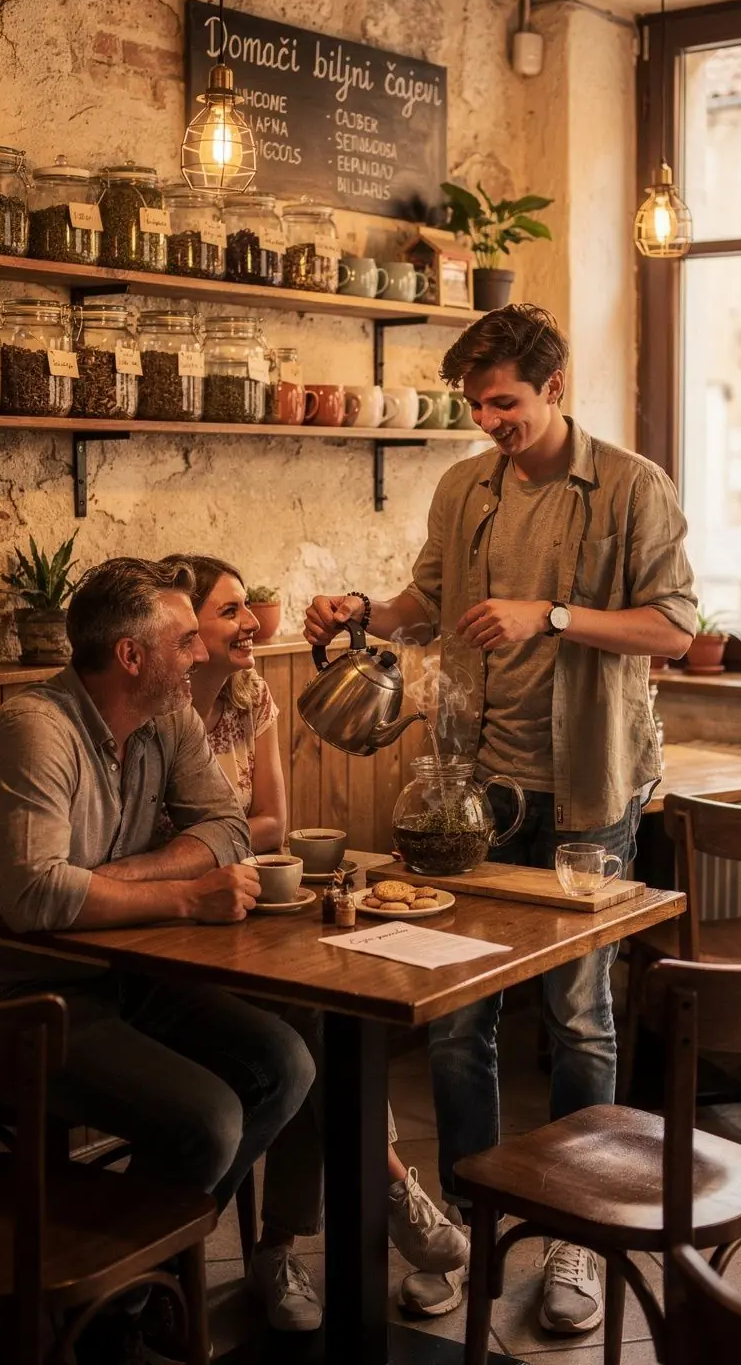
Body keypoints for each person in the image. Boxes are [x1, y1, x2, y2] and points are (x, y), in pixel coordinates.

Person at [304, 304, 696, 1334]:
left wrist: (551, 616)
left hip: (588, 790)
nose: (491, 422)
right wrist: (359, 612)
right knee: (455, 1018)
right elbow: (421, 602)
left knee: (578, 1018)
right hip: (473, 791)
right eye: (478, 404)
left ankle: (574, 1237)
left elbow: (677, 627)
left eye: (507, 403)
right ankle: (474, 1225)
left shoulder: (631, 486)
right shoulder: (463, 487)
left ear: (556, 389)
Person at [0, 557, 316, 1365]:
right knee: (209, 1118)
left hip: (123, 971)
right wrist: (181, 895)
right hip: (28, 1003)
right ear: (131, 656)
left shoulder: (167, 719)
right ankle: (118, 1316)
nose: (199, 654)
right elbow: (34, 899)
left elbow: (231, 830)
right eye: (182, 642)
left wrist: (107, 881)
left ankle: (134, 1285)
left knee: (287, 1062)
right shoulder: (35, 728)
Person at [166, 553, 470, 1333]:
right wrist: (215, 847)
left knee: (320, 1011)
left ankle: (280, 1246)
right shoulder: (156, 710)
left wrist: (206, 841)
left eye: (247, 609)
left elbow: (273, 820)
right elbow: (210, 834)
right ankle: (385, 1189)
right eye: (231, 611)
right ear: (180, 629)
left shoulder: (252, 694)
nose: (251, 625)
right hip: (174, 933)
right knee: (307, 1021)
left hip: (250, 914)